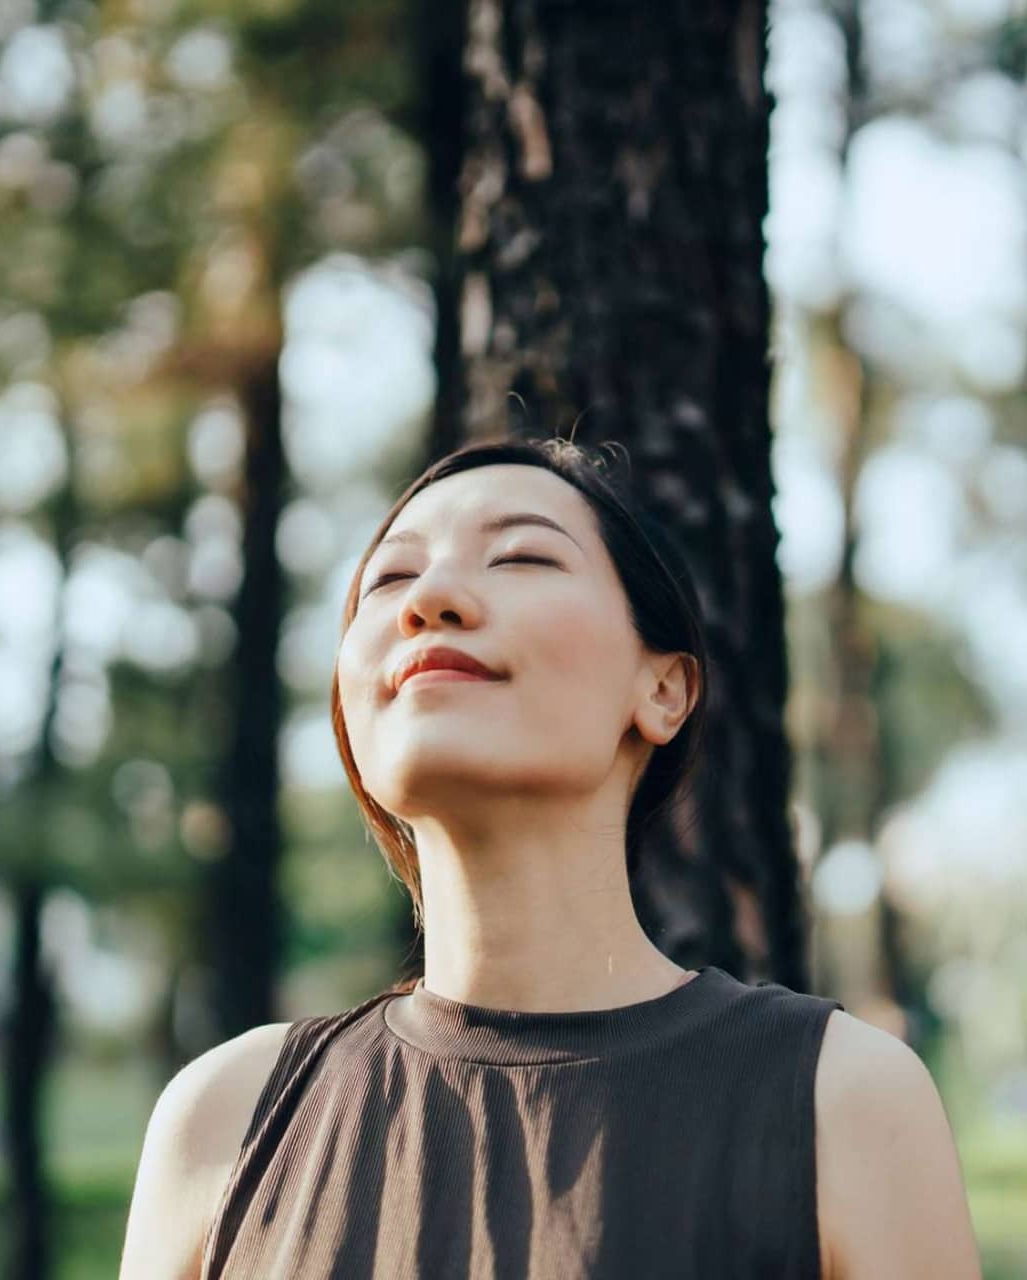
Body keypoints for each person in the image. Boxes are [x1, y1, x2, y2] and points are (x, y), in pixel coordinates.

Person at [118, 436, 981, 1278]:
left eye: (522, 558)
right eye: (390, 577)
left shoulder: (844, 1105)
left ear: (663, 689)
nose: (432, 598)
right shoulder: (226, 1121)